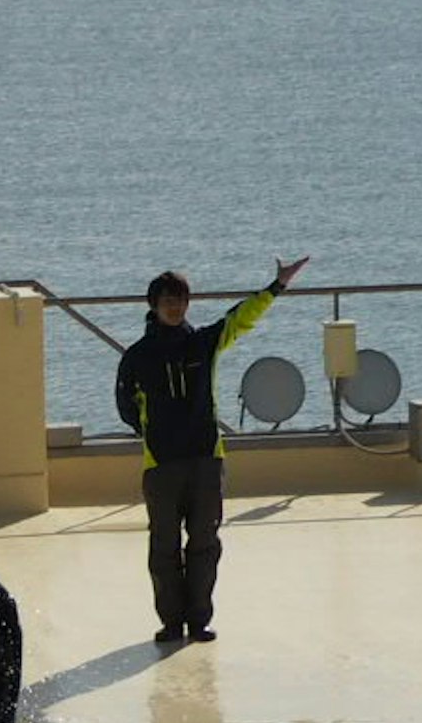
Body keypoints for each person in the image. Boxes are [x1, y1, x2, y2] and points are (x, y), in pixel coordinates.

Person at [113, 254, 308, 645]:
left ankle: (199, 620)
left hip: (206, 459)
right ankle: (171, 622)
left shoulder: (203, 343)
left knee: (205, 544)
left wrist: (277, 285)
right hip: (162, 465)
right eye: (168, 299)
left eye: (181, 299)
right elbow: (124, 405)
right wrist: (152, 433)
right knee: (164, 547)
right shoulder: (137, 356)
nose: (175, 306)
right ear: (154, 304)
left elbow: (242, 318)